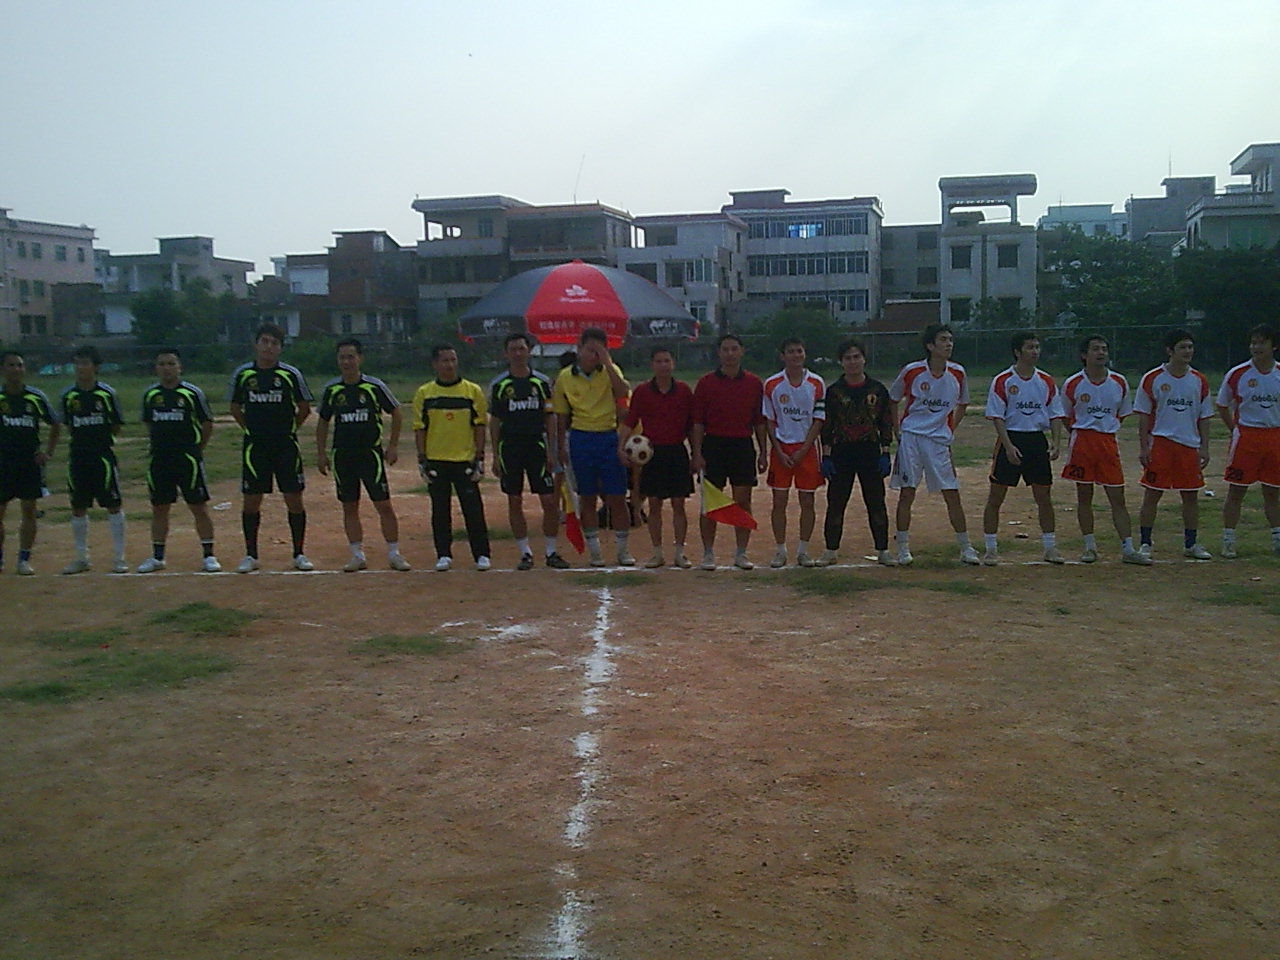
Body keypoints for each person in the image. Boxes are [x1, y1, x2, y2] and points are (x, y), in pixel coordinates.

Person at [315, 339, 411, 572]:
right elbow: (323, 422)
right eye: (342, 357)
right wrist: (321, 453)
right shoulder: (332, 390)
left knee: (384, 505)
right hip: (342, 456)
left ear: (360, 358)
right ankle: (357, 555)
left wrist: (393, 446)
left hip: (370, 455)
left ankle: (394, 554)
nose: (346, 362)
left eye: (351, 357)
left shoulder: (373, 386)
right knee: (349, 506)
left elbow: (397, 413)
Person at [888, 324, 980, 566]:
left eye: (950, 339)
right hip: (912, 437)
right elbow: (893, 399)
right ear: (930, 346)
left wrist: (950, 428)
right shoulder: (913, 371)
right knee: (907, 492)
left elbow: (963, 403)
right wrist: (897, 430)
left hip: (938, 441)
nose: (949, 344)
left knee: (952, 493)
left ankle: (966, 547)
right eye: (943, 340)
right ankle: (903, 548)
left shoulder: (958, 372)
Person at [227, 323, 314, 572]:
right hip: (255, 447)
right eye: (264, 341)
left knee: (294, 498)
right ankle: (251, 555)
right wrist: (250, 429)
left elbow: (304, 408)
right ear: (256, 344)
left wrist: (289, 429)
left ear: (280, 348)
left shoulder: (290, 374)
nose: (269, 347)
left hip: (285, 445)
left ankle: (299, 553)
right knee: (251, 500)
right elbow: (235, 408)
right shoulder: (243, 374)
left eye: (274, 343)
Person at [1060, 335, 1151, 565]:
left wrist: (1105, 429)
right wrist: (1081, 432)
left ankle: (1128, 548)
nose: (1101, 353)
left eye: (1104, 349)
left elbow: (1122, 413)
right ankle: (1089, 547)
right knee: (1084, 495)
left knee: (1117, 496)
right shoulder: (1073, 383)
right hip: (1082, 443)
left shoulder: (1119, 382)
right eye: (1095, 349)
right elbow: (1066, 415)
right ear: (1084, 355)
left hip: (1108, 443)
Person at [981, 332, 1066, 565]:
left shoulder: (1046, 380)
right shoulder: (1003, 380)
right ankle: (991, 548)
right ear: (1017, 352)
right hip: (1011, 437)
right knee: (996, 496)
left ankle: (1050, 547)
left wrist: (1056, 443)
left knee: (1043, 496)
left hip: (1036, 440)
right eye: (1030, 347)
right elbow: (998, 416)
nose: (1035, 351)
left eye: (1037, 347)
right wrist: (1008, 446)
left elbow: (1055, 414)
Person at [552, 327, 633, 567]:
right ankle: (595, 552)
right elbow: (561, 415)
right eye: (590, 350)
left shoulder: (610, 371)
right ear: (579, 349)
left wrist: (607, 362)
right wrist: (561, 447)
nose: (593, 356)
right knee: (587, 496)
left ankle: (623, 551)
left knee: (617, 496)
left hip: (608, 436)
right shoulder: (565, 377)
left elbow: (623, 391)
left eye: (599, 351)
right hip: (581, 438)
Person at [490, 333, 569, 570]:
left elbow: (550, 417)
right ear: (506, 353)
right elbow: (495, 421)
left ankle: (551, 551)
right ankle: (525, 553)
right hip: (510, 448)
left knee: (549, 500)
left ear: (529, 351)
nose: (517, 353)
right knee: (515, 499)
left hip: (537, 446)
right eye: (513, 349)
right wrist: (495, 455)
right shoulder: (500, 385)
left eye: (521, 349)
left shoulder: (541, 383)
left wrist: (552, 450)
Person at [137, 348, 221, 573]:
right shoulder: (150, 395)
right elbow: (148, 423)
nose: (167, 368)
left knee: (198, 507)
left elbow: (207, 423)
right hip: (160, 459)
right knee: (159, 508)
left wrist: (196, 449)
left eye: (171, 364)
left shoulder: (192, 393)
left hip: (187, 459)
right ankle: (157, 557)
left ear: (179, 367)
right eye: (162, 364)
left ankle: (209, 555)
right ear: (156, 368)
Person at [1135, 329, 1215, 560]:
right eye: (1182, 347)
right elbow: (1143, 415)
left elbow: (1204, 417)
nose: (1187, 351)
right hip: (1161, 444)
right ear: (1170, 351)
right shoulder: (1153, 378)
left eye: (1190, 347)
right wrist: (1144, 447)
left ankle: (1191, 544)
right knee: (1152, 494)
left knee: (1190, 496)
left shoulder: (1199, 380)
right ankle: (1145, 543)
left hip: (1188, 446)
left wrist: (1204, 447)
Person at [691, 333, 768, 570]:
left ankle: (741, 553)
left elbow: (759, 421)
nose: (730, 354)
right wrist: (697, 453)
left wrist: (763, 452)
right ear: (719, 353)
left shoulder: (754, 383)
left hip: (742, 445)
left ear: (742, 351)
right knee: (710, 502)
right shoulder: (706, 383)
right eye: (725, 349)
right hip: (714, 445)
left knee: (743, 500)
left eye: (734, 349)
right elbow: (698, 422)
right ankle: (708, 553)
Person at [817, 338, 897, 567]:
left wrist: (885, 451)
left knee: (876, 502)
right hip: (842, 452)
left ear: (864, 359)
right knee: (836, 502)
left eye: (856, 357)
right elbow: (827, 425)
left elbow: (885, 422)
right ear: (841, 362)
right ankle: (831, 550)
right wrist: (826, 456)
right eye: (847, 358)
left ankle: (883, 550)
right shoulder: (834, 392)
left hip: (869, 450)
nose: (852, 362)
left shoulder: (877, 390)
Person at [413, 344, 491, 571]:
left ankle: (482, 554)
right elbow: (420, 428)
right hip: (437, 460)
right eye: (445, 360)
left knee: (473, 509)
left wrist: (479, 457)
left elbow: (479, 426)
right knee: (440, 509)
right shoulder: (425, 393)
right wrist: (422, 459)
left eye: (453, 360)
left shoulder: (472, 391)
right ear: (435, 364)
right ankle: (444, 554)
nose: (450, 365)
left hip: (464, 460)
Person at [618, 345, 694, 569]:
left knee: (679, 504)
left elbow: (691, 426)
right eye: (659, 361)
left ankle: (680, 552)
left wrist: (696, 453)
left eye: (667, 361)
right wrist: (620, 447)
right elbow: (630, 421)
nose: (663, 365)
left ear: (673, 364)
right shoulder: (642, 392)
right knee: (654, 504)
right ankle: (657, 553)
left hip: (677, 452)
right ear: (652, 365)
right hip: (652, 454)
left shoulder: (684, 391)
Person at [59, 346, 128, 574]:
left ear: (96, 367)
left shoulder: (106, 394)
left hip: (102, 457)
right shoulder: (68, 396)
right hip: (78, 457)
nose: (81, 368)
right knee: (78, 506)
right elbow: (68, 424)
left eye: (85, 363)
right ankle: (82, 558)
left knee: (113, 505)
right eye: (77, 363)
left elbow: (115, 425)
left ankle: (119, 558)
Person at [1216, 324, 1280, 558]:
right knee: (1236, 490)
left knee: (1273, 492)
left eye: (1261, 342)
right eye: (1253, 342)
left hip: (1275, 437)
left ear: (1273, 346)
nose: (1256, 347)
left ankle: (1277, 538)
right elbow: (1222, 405)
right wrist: (1234, 429)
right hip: (1247, 437)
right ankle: (1228, 540)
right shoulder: (1238, 374)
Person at [762, 338, 826, 568]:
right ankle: (780, 551)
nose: (795, 355)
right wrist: (779, 451)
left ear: (804, 354)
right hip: (781, 450)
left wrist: (804, 449)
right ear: (783, 356)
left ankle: (803, 551)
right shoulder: (772, 384)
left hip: (806, 450)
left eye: (799, 351)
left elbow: (818, 419)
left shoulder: (816, 383)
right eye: (790, 352)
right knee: (779, 501)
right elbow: (769, 421)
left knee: (807, 500)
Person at [0, 350, 59, 575]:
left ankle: (24, 558)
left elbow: (55, 424)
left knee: (29, 509)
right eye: (11, 365)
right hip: (3, 462)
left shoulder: (35, 397)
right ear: (3, 369)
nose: (16, 369)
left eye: (20, 365)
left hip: (28, 462)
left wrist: (47, 453)